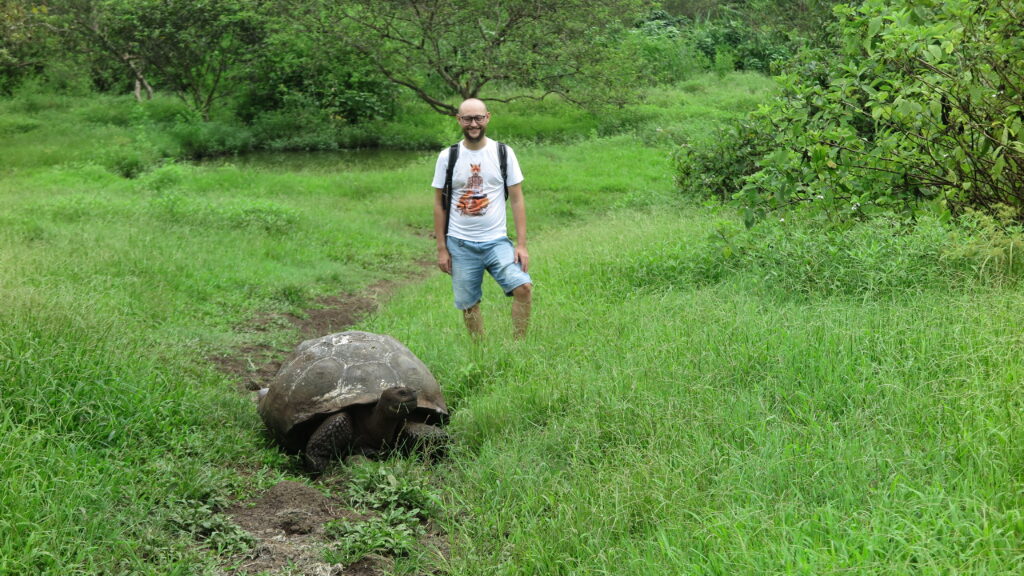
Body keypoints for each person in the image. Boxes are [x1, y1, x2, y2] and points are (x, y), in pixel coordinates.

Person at [432, 98, 532, 338]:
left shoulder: (502, 153)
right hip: (460, 242)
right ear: (459, 120)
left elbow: (517, 199)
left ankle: (519, 344)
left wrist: (521, 244)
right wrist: (442, 249)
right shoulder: (448, 157)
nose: (473, 124)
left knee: (524, 287)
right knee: (469, 303)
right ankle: (479, 350)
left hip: (497, 241)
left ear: (487, 117)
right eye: (467, 119)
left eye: (478, 118)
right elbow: (439, 204)